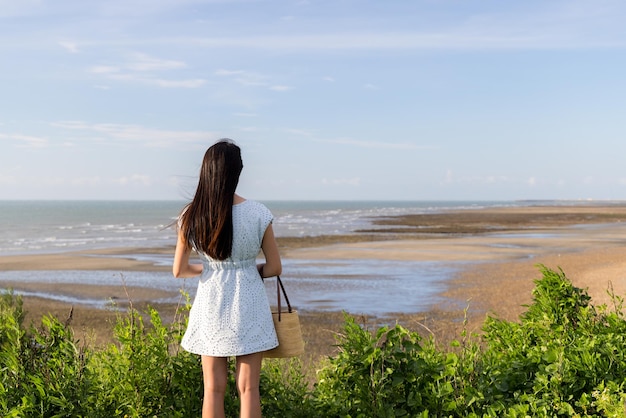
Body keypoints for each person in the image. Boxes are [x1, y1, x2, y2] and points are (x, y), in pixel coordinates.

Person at [173, 139, 282, 418]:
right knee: (248, 389)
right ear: (238, 172)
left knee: (213, 389)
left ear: (206, 171)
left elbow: (180, 270)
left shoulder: (191, 215)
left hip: (211, 304)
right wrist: (247, 270)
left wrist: (212, 270)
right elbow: (274, 267)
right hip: (250, 303)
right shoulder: (258, 213)